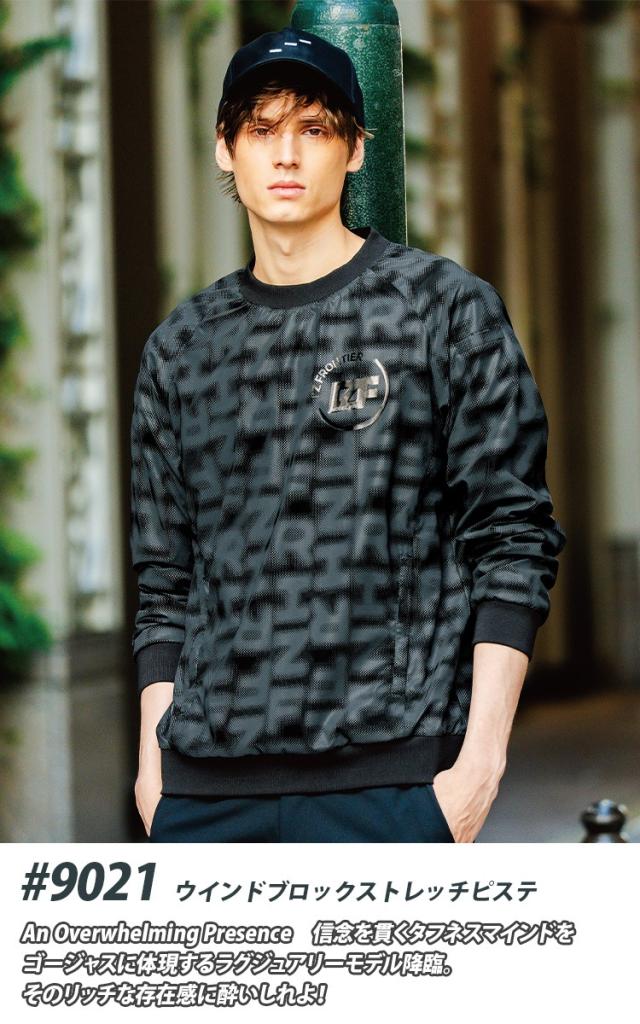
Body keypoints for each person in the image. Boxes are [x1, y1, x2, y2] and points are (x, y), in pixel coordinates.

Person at [130, 26, 566, 844]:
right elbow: (165, 580)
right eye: (262, 128)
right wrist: (155, 770)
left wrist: (479, 766)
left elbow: (512, 538)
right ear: (226, 148)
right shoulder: (181, 348)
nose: (286, 153)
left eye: (315, 128)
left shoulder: (443, 310)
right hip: (204, 794)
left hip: (394, 783)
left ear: (356, 149)